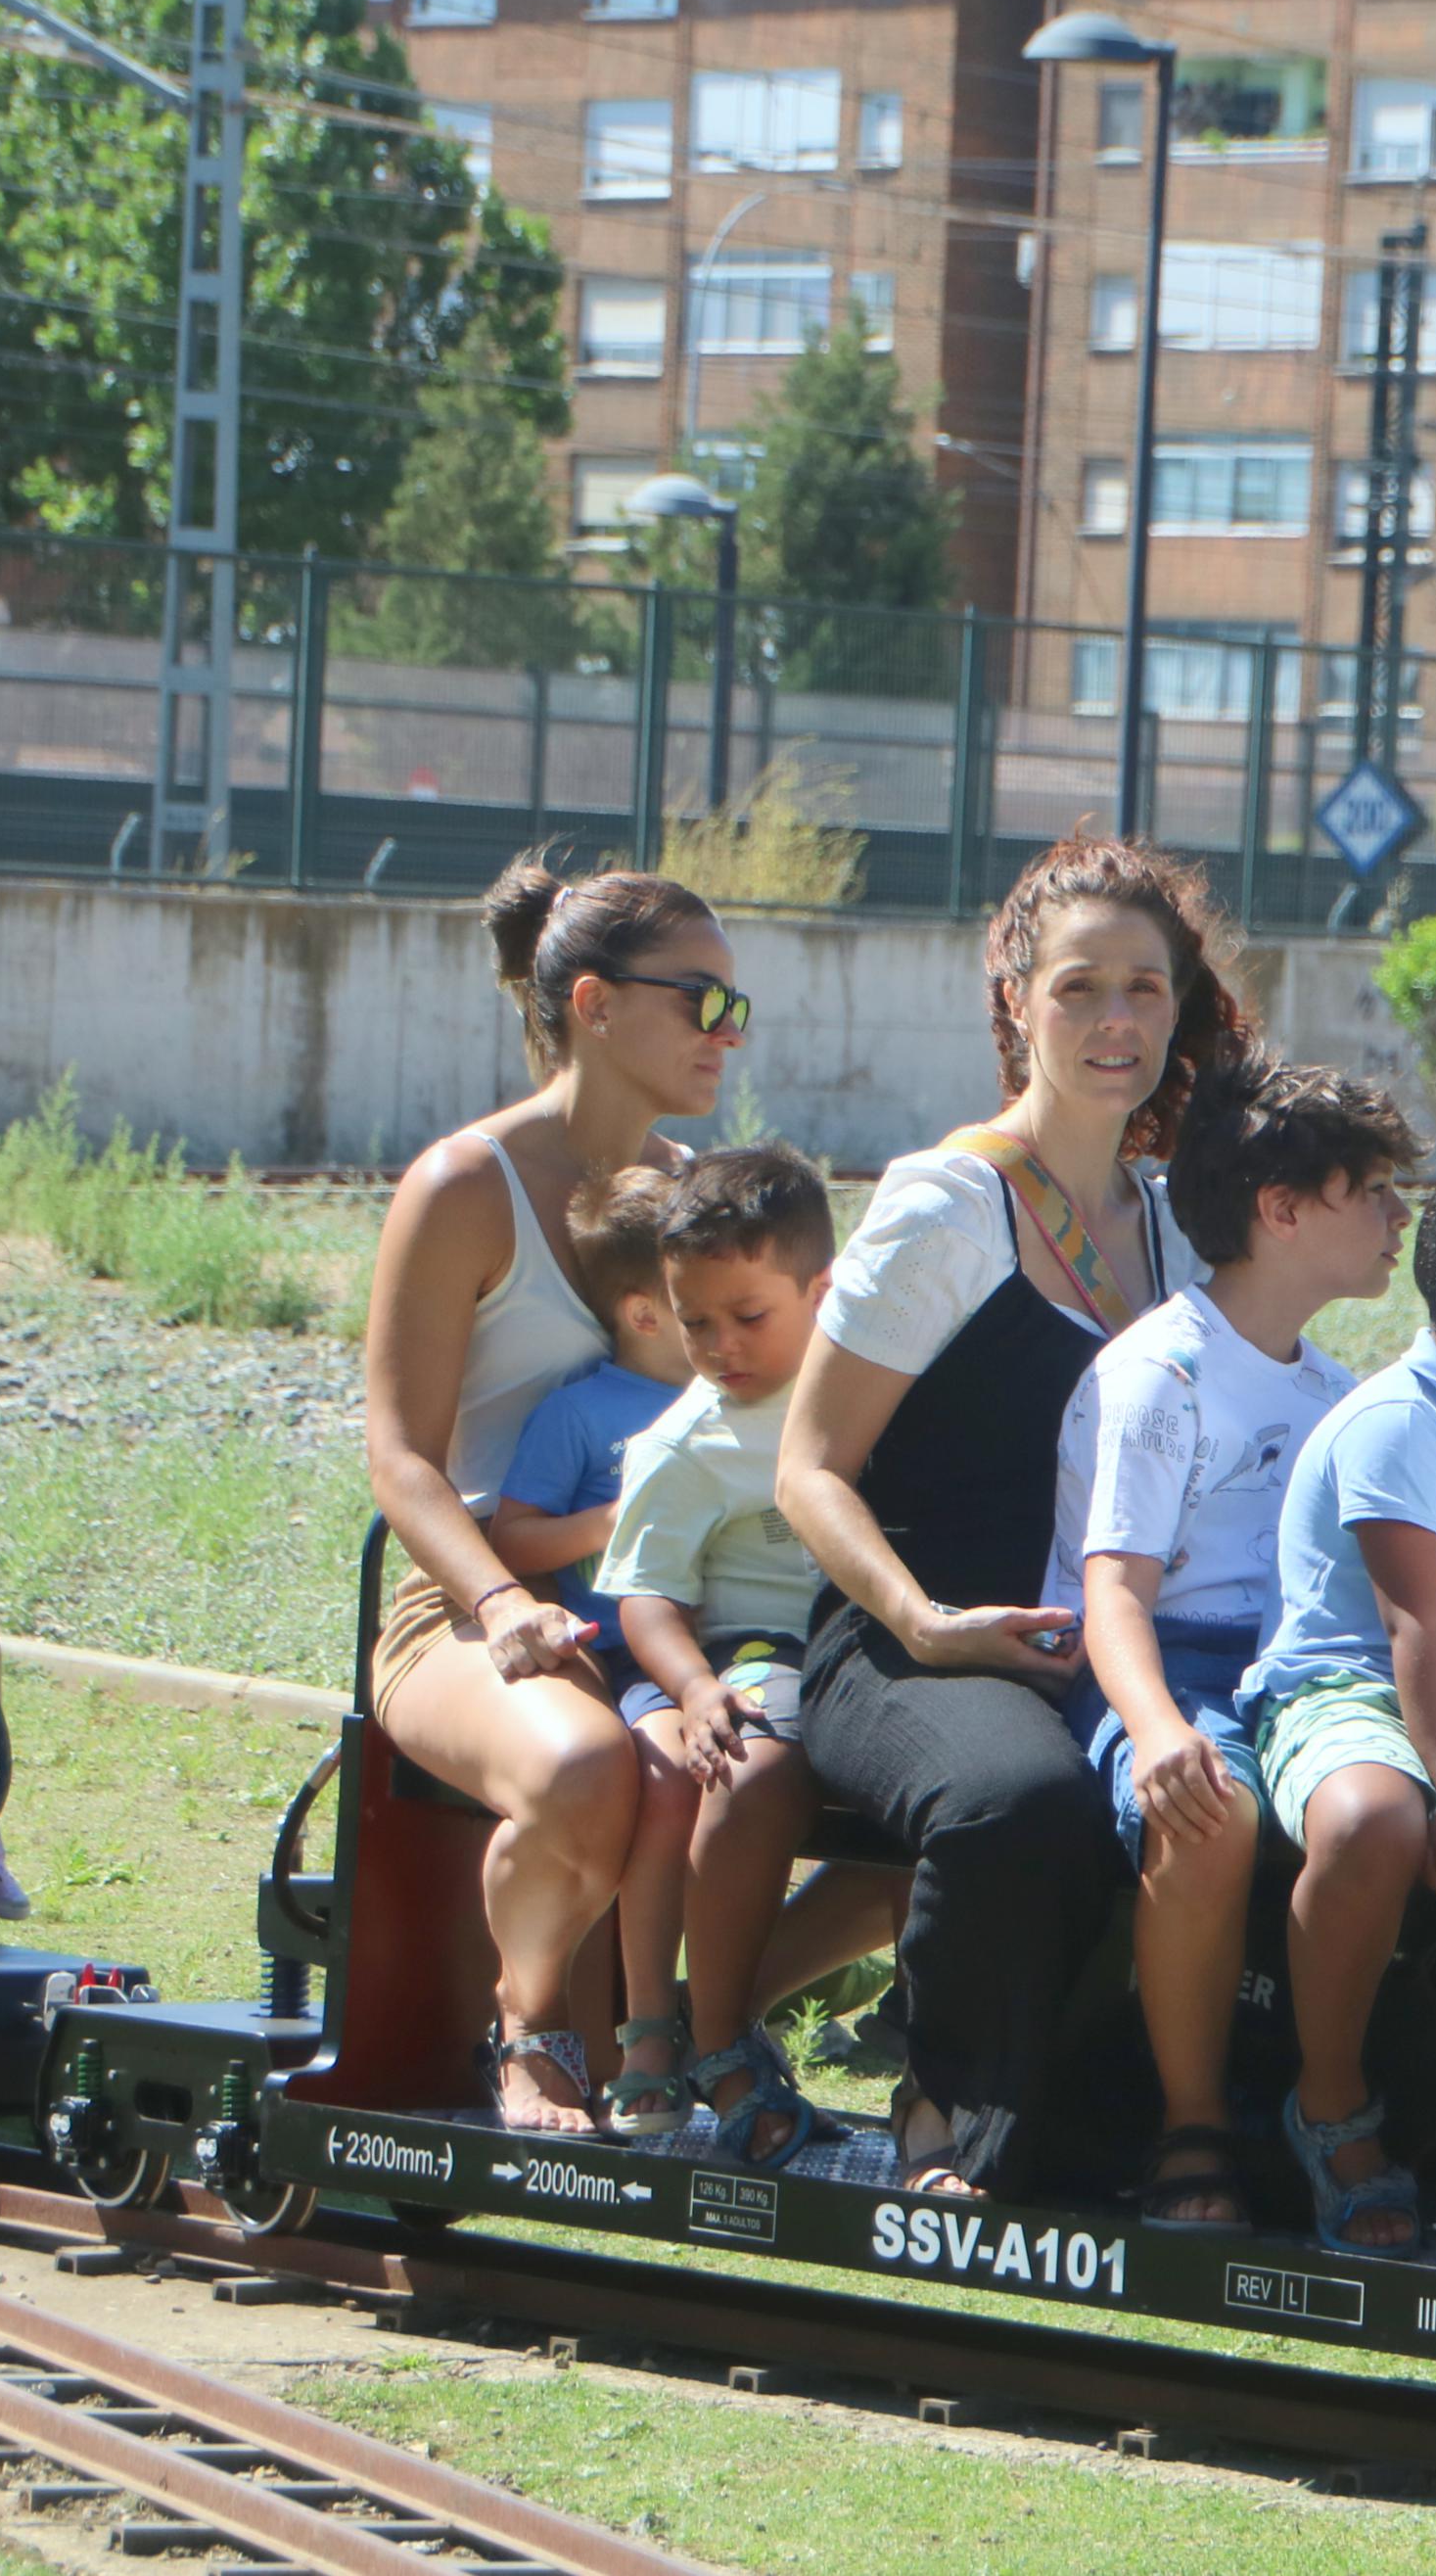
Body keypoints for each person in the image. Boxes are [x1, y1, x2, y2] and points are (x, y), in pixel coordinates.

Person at [777, 835, 1248, 2202]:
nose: (1114, 1022)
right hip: (903, 1633)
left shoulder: (1169, 1222)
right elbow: (808, 1466)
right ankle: (943, 2108)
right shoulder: (946, 1202)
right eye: (1078, 987)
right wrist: (925, 1624)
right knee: (1017, 1796)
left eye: (1144, 990)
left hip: (1091, 1634)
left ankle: (1158, 2129)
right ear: (1014, 1000)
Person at [361, 857, 744, 2136]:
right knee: (584, 1763)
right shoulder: (460, 1185)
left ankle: (697, 2030)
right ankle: (528, 2033)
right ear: (590, 999)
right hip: (471, 1605)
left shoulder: (693, 1191)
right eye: (699, 1000)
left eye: (736, 1005)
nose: (726, 1031)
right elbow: (402, 1458)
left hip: (657, 1609)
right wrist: (499, 1600)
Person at [1057, 1049, 1413, 2240]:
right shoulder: (1160, 1371)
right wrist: (1157, 1729)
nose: (1397, 1218)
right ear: (1279, 1209)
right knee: (1208, 1809)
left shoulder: (1334, 1388)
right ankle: (1192, 2126)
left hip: (1292, 1675)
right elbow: (1113, 1592)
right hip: (1159, 1664)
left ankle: (1348, 2099)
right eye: (1371, 1190)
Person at [1237, 1162, 1436, 2246]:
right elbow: (1410, 1631)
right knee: (1373, 1817)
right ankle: (1330, 2106)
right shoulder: (1396, 1423)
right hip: (1350, 1687)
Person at [601, 1145, 851, 2166]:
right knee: (753, 1767)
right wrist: (696, 1686)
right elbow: (645, 1592)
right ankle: (715, 2042)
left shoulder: (868, 1390)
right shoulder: (685, 1441)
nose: (717, 1346)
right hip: (759, 1648)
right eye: (693, 1320)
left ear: (821, 1290)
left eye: (747, 1317)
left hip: (867, 1641)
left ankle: (730, 1999)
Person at [485, 1168, 694, 1664]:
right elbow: (511, 1542)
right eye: (697, 1302)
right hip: (625, 1656)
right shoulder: (577, 1413)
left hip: (736, 1644)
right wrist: (614, 1520)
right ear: (644, 1315)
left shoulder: (738, 1394)